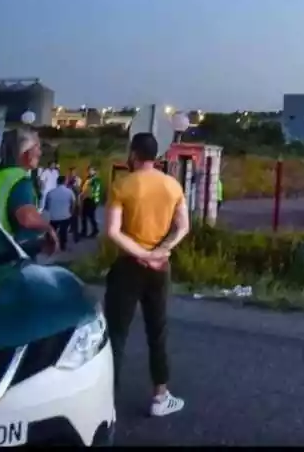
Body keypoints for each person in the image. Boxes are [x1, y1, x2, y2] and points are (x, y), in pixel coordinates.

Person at [104, 132, 189, 418]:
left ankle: (106, 401)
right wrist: (160, 252)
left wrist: (141, 254)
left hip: (128, 266)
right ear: (157, 155)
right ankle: (160, 396)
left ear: (134, 154)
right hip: (159, 269)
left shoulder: (122, 185)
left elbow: (113, 232)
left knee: (116, 334)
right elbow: (183, 227)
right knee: (158, 332)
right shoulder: (173, 186)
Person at [0, 126, 59, 256]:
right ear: (26, 154)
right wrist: (48, 228)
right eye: (37, 148)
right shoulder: (20, 181)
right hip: (6, 253)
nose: (40, 153)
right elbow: (27, 218)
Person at [42, 175, 76, 250]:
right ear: (65, 182)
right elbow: (73, 204)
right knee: (63, 230)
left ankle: (50, 242)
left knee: (52, 229)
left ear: (57, 182)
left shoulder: (50, 192)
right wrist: (71, 212)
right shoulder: (69, 192)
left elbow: (47, 207)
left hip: (53, 217)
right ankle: (62, 245)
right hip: (65, 216)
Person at [79, 166, 103, 238]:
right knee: (83, 216)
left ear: (95, 171)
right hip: (86, 199)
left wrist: (86, 194)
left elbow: (94, 190)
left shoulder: (96, 180)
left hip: (92, 199)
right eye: (88, 170)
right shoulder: (88, 178)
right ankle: (84, 231)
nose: (89, 172)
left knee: (91, 216)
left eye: (91, 170)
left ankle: (95, 230)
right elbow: (84, 187)